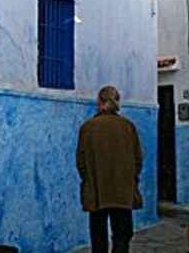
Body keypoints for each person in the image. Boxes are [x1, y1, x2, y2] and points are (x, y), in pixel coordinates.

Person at [76, 85, 144, 253]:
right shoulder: (128, 127)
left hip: (97, 190)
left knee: (98, 236)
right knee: (122, 234)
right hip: (123, 190)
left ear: (99, 102)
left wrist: (90, 180)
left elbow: (81, 162)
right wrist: (130, 178)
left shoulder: (88, 128)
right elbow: (138, 159)